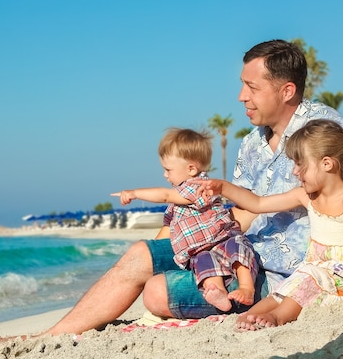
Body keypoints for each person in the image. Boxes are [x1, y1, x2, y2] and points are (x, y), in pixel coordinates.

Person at [0, 39, 343, 345]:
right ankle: (46, 336)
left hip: (285, 279)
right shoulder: (253, 142)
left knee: (155, 291)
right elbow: (242, 210)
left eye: (252, 87)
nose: (241, 96)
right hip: (237, 250)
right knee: (140, 255)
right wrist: (181, 239)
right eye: (242, 85)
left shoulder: (321, 130)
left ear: (286, 90)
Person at [194, 119, 343, 330]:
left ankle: (277, 318)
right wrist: (222, 187)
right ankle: (252, 314)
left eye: (300, 164)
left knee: (306, 278)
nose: (295, 172)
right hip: (312, 276)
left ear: (327, 164)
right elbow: (258, 203)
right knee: (285, 288)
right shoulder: (306, 196)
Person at [111, 127, 258, 311]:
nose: (165, 175)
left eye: (168, 170)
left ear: (191, 169)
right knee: (205, 266)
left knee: (238, 252)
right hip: (201, 250)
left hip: (222, 240)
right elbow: (168, 229)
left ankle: (247, 288)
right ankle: (217, 292)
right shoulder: (179, 202)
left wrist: (134, 193)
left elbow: (164, 195)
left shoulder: (198, 186)